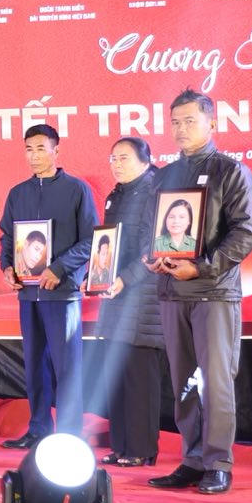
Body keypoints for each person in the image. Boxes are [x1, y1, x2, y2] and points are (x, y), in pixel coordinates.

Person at [147, 89, 252, 495]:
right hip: (173, 292)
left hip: (214, 292)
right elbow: (154, 231)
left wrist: (202, 266)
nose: (181, 129)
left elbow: (245, 233)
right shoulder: (164, 176)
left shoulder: (231, 171)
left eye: (189, 121)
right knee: (184, 382)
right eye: (175, 122)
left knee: (215, 381)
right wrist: (152, 257)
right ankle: (192, 459)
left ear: (212, 122)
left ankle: (217, 462)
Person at [0, 124, 97, 449]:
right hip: (28, 295)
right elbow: (8, 238)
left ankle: (69, 434)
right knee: (34, 365)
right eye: (29, 149)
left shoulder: (76, 190)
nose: (34, 155)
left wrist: (59, 268)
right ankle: (38, 428)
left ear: (56, 151)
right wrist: (7, 267)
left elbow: (91, 240)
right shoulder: (18, 193)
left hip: (62, 293)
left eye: (41, 148)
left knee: (67, 368)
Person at [88, 138, 168, 468]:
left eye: (123, 158)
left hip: (143, 300)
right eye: (112, 159)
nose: (116, 164)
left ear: (146, 160)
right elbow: (107, 246)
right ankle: (121, 446)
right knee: (117, 377)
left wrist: (125, 278)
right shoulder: (117, 195)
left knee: (140, 381)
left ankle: (142, 448)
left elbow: (155, 248)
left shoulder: (155, 191)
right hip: (116, 298)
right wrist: (97, 274)